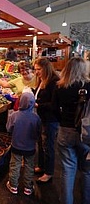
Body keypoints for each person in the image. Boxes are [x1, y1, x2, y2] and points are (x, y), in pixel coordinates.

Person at [53, 57, 90, 204]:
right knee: (87, 171)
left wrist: (62, 120)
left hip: (65, 130)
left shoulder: (60, 86)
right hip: (86, 133)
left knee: (68, 170)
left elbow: (54, 109)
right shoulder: (88, 86)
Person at [6, 92, 41, 196]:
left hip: (16, 145)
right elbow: (38, 132)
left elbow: (9, 128)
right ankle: (28, 188)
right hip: (30, 147)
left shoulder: (14, 115)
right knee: (29, 166)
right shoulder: (36, 118)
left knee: (15, 165)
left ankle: (13, 186)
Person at [33, 57, 60, 183]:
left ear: (45, 68)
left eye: (38, 69)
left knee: (48, 145)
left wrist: (38, 105)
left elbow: (54, 105)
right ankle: (42, 166)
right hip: (42, 117)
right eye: (35, 69)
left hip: (50, 119)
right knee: (41, 143)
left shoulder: (54, 82)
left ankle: (48, 172)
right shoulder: (42, 80)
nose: (36, 72)